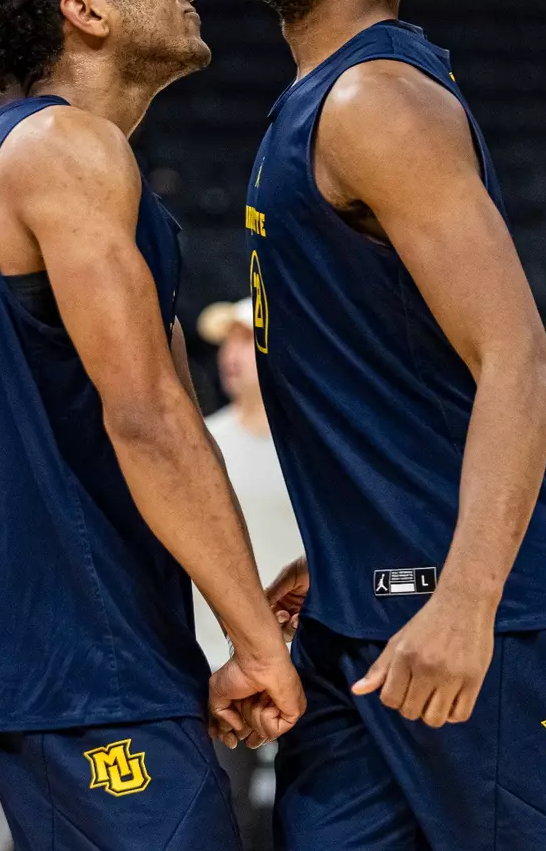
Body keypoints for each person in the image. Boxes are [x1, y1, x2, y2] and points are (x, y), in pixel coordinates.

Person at [232, 0, 546, 849]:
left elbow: (520, 361)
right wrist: (350, 535)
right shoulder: (316, 100)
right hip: (364, 617)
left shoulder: (379, 102)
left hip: (487, 620)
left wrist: (466, 598)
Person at [0, 0, 299, 851]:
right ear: (84, 11)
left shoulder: (53, 163)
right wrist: (256, 644)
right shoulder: (69, 152)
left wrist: (229, 625)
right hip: (71, 643)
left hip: (88, 639)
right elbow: (150, 418)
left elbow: (166, 420)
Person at [190, 297, 304, 845]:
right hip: (218, 669)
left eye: (245, 339)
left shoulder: (312, 447)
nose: (230, 355)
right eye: (226, 343)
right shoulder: (199, 443)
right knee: (224, 816)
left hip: (309, 665)